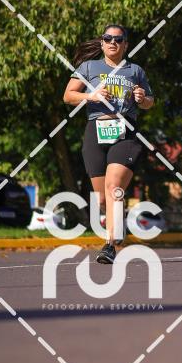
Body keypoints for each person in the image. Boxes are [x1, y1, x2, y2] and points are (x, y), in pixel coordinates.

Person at [63, 24, 154, 264]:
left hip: (125, 132)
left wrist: (142, 98)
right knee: (102, 200)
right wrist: (91, 96)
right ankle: (117, 225)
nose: (113, 42)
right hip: (95, 130)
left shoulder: (135, 70)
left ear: (126, 45)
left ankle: (109, 245)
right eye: (108, 38)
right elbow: (68, 95)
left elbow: (149, 102)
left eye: (118, 39)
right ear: (102, 43)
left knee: (114, 187)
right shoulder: (88, 67)